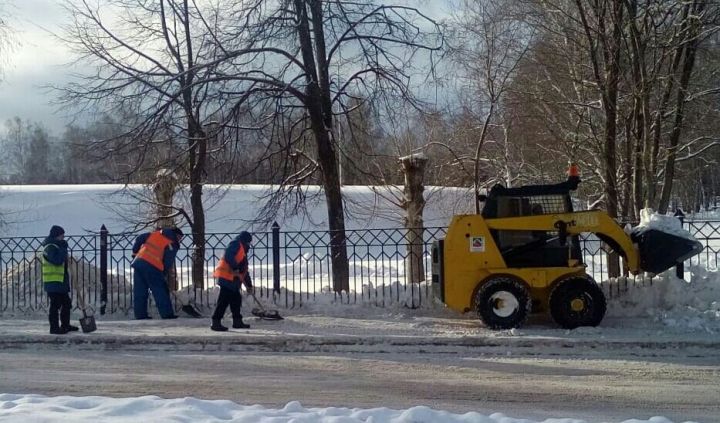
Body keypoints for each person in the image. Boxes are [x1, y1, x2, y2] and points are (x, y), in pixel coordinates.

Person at [131, 227, 183, 319]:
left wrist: (135, 252)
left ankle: (140, 315)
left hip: (139, 262)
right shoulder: (172, 244)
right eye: (180, 238)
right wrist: (163, 274)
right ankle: (167, 314)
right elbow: (167, 262)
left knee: (140, 291)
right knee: (160, 291)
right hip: (153, 266)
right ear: (176, 235)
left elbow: (139, 238)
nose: (180, 240)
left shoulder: (155, 234)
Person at [210, 231, 254, 331]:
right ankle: (215, 322)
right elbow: (228, 255)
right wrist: (235, 267)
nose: (249, 245)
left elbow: (244, 271)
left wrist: (249, 285)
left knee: (236, 300)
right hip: (227, 277)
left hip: (233, 280)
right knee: (223, 301)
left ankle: (237, 321)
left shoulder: (242, 252)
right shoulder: (236, 244)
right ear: (245, 241)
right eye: (248, 242)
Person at [41, 225, 79, 334]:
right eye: (62, 235)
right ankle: (54, 328)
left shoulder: (57, 246)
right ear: (56, 235)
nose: (63, 237)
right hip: (53, 282)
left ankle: (65, 325)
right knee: (55, 305)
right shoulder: (49, 247)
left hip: (60, 281)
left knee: (66, 303)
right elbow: (57, 260)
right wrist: (63, 248)